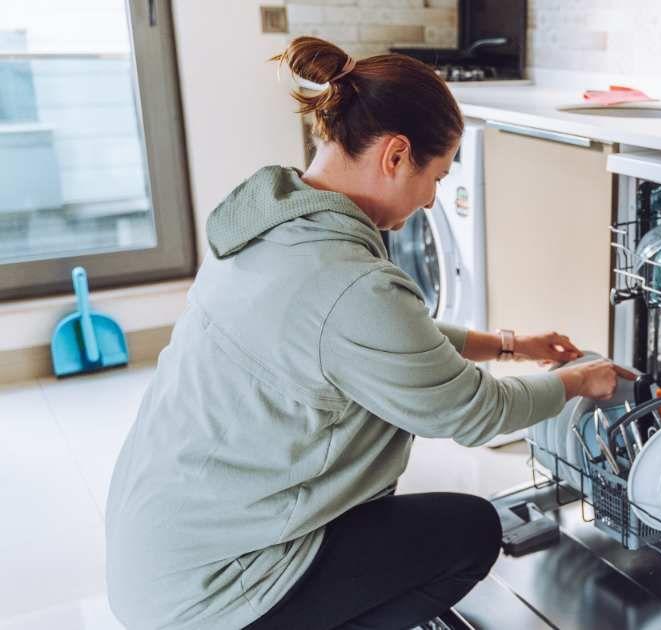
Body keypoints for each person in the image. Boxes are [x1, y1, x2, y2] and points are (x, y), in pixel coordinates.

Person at [104, 36, 630, 630]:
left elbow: (381, 339)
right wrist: (578, 379)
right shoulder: (351, 284)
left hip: (158, 549)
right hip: (214, 591)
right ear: (396, 155)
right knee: (469, 531)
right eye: (437, 175)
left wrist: (511, 344)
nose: (433, 198)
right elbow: (473, 412)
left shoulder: (274, 220)